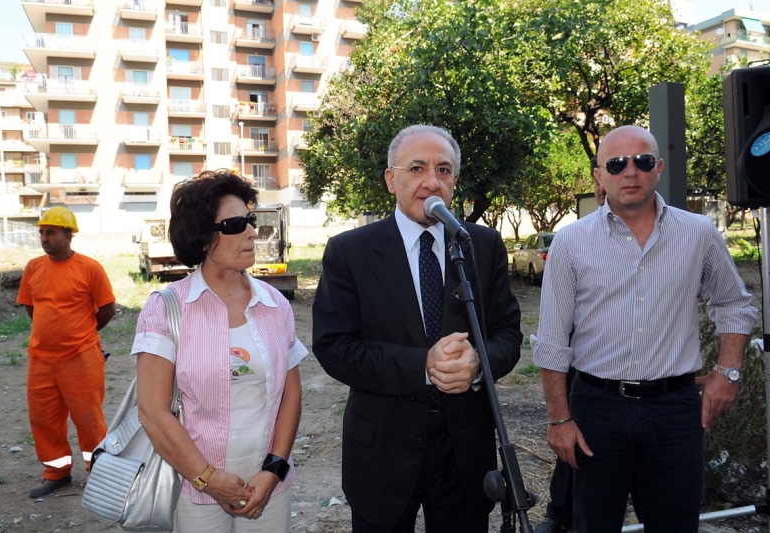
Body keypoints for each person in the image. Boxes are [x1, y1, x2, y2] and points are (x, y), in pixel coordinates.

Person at [532, 125, 757, 533]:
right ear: (599, 175)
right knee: (594, 525)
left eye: (643, 161)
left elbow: (734, 303)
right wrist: (559, 419)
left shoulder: (699, 234)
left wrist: (728, 371)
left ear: (659, 169)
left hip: (675, 410)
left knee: (676, 524)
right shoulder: (570, 243)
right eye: (617, 164)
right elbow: (551, 340)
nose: (630, 172)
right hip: (597, 409)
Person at [312, 124, 523, 533]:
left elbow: (508, 334)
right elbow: (334, 347)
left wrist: (478, 363)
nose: (432, 181)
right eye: (417, 168)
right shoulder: (349, 251)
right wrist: (423, 366)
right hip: (382, 451)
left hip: (465, 450)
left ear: (455, 181)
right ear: (392, 179)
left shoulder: (480, 245)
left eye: (444, 170)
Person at [131, 169, 307, 532]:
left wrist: (274, 469)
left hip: (267, 486)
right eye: (235, 224)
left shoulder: (275, 304)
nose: (252, 232)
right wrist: (208, 479)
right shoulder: (167, 309)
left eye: (252, 221)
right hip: (194, 490)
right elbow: (152, 411)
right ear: (203, 237)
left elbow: (291, 393)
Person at [16, 206, 116, 498]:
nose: (44, 238)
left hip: (81, 357)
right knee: (44, 419)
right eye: (41, 233)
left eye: (50, 233)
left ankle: (99, 472)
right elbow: (30, 306)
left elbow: (107, 308)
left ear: (68, 235)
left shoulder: (90, 268)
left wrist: (83, 333)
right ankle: (57, 473)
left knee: (88, 418)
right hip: (41, 359)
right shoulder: (34, 267)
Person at [535, 155, 606, 533]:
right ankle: (559, 513)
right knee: (573, 451)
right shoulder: (577, 241)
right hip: (580, 367)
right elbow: (552, 329)